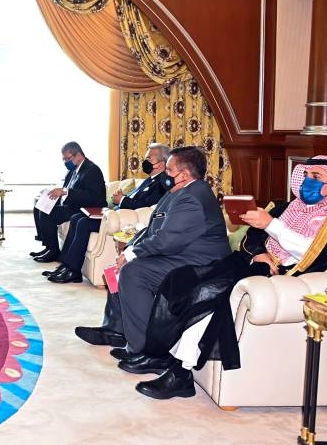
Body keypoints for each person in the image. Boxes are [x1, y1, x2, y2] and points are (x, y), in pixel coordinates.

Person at [135, 156, 327, 400]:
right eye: (306, 175)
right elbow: (252, 238)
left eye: (317, 178)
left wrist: (272, 225)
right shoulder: (288, 208)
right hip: (253, 264)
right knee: (181, 278)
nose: (309, 182)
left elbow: (317, 253)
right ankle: (158, 351)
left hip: (283, 277)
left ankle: (181, 373)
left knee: (209, 294)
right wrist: (259, 253)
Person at [73, 146, 230, 376]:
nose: (164, 174)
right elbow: (153, 227)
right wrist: (131, 248)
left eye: (169, 169)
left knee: (134, 272)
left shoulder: (194, 197)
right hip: (180, 254)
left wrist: (132, 255)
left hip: (200, 266)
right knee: (120, 267)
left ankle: (151, 352)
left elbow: (167, 239)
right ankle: (121, 332)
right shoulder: (176, 192)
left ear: (184, 174)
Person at [45, 143, 170, 284]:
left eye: (149, 159)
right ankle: (66, 265)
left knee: (83, 223)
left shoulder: (162, 184)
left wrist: (122, 200)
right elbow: (136, 199)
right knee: (76, 218)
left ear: (161, 164)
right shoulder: (148, 180)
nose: (145, 162)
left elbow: (145, 206)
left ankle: (73, 271)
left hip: (125, 221)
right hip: (115, 214)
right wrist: (122, 197)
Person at [31, 142, 106, 263]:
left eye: (68, 158)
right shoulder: (72, 170)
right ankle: (48, 247)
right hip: (70, 205)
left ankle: (53, 251)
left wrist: (66, 191)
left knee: (47, 213)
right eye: (64, 159)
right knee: (40, 206)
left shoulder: (92, 170)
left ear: (79, 155)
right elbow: (66, 189)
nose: (66, 162)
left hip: (83, 209)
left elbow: (93, 197)